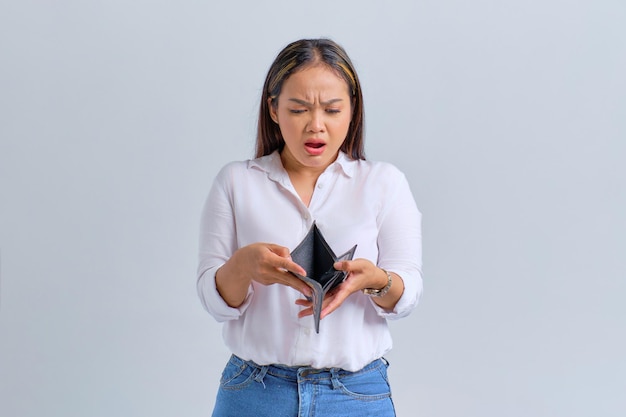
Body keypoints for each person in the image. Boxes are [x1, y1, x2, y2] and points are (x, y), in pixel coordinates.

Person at [197, 38, 422, 417]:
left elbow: (408, 292)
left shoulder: (385, 183)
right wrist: (244, 266)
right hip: (255, 393)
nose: (315, 126)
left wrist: (375, 280)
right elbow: (214, 300)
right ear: (273, 108)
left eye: (332, 110)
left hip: (354, 394)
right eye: (298, 109)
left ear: (352, 111)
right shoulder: (236, 182)